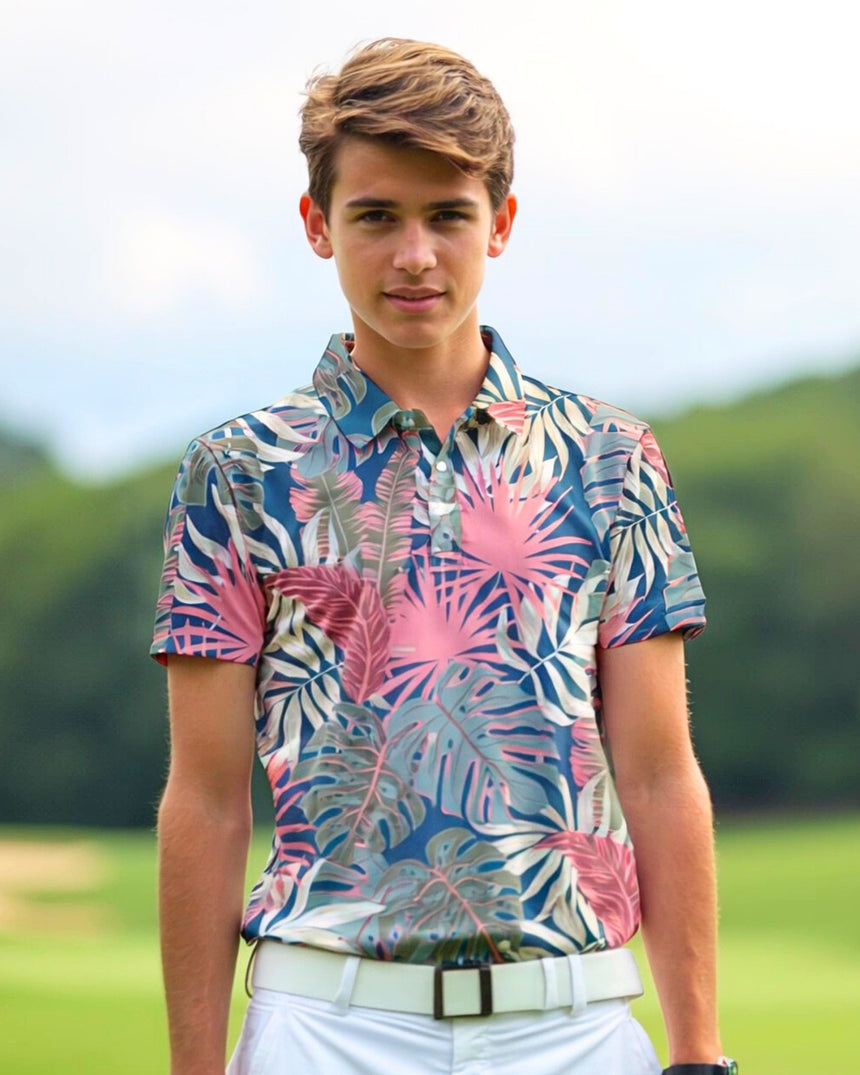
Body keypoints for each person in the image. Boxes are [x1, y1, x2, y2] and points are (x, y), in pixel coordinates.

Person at [152, 37, 736, 1075]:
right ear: (316, 227)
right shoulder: (236, 470)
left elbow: (654, 770)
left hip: (573, 1025)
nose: (413, 254)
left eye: (447, 216)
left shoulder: (609, 458)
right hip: (322, 1025)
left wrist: (696, 1053)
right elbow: (204, 794)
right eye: (375, 215)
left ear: (499, 224)